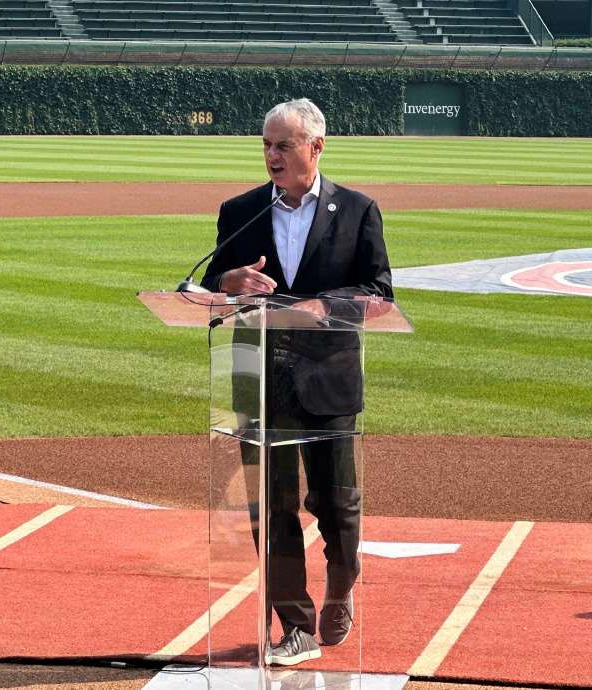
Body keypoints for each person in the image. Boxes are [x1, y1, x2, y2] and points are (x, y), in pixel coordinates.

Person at [201, 99, 393, 666]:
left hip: (328, 376)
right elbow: (210, 284)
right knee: (271, 505)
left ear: (317, 147)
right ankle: (296, 624)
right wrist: (229, 280)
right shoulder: (240, 211)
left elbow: (380, 293)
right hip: (257, 376)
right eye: (265, 144)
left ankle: (343, 579)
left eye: (283, 145)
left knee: (335, 502)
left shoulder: (358, 210)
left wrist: (322, 304)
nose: (271, 155)